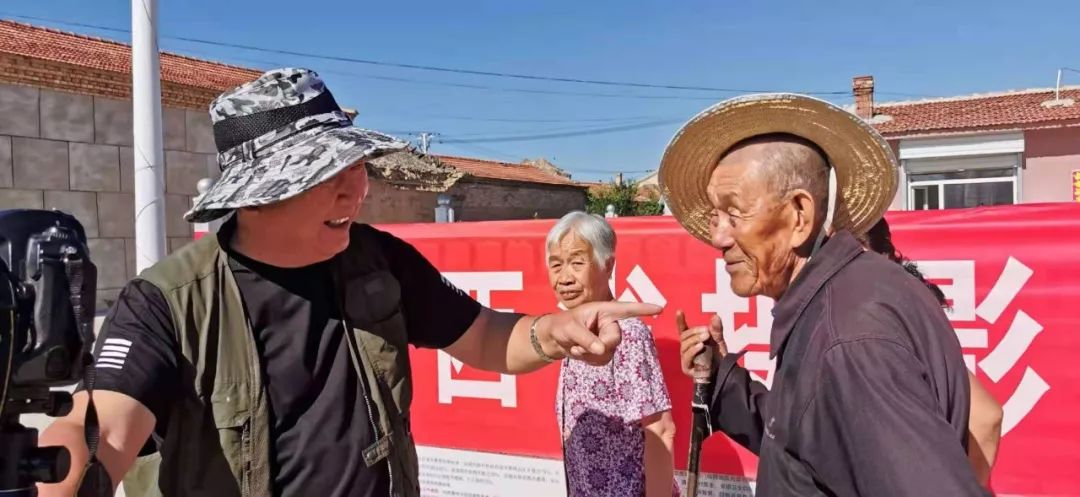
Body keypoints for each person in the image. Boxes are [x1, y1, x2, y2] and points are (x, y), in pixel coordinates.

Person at [36, 68, 660, 497]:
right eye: (325, 172)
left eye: (355, 166)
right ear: (257, 195)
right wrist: (59, 468)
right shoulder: (170, 302)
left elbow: (484, 338)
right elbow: (106, 427)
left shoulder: (381, 262)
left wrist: (555, 332)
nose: (356, 187)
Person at [662, 93, 990, 496]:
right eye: (717, 216)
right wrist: (721, 379)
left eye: (735, 213)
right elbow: (807, 443)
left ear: (799, 215)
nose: (718, 237)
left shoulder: (849, 335)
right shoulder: (844, 295)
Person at [860, 217, 1004, 487]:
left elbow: (985, 417)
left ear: (884, 256)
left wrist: (960, 490)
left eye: (856, 251)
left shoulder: (899, 317)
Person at [546, 211, 678, 497]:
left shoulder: (627, 335)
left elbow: (660, 431)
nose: (564, 277)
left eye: (576, 263)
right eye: (556, 265)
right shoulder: (570, 329)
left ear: (608, 266)